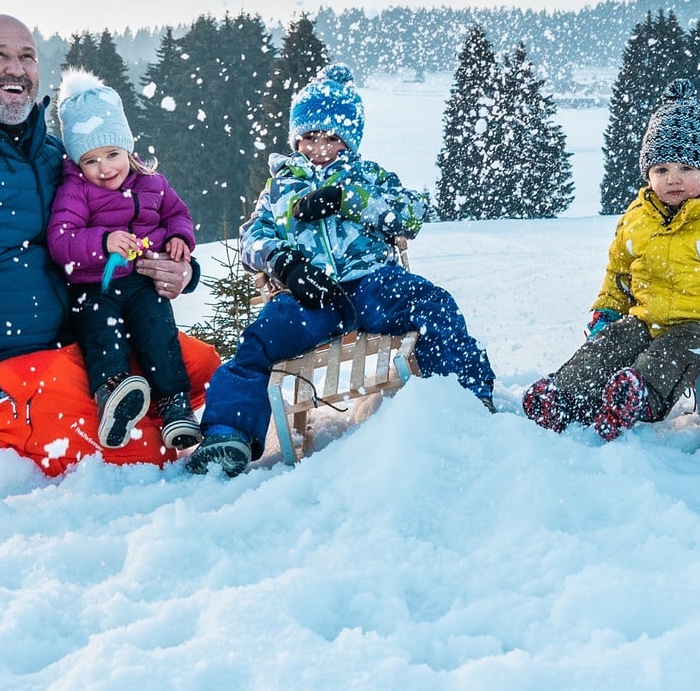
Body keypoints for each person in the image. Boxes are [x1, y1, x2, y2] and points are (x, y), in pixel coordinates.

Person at [0, 15, 221, 500]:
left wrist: (181, 268)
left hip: (79, 343)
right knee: (146, 456)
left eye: (27, 56)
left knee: (199, 368)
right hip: (1, 372)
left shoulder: (47, 152)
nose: (16, 68)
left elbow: (127, 219)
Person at [194, 65, 496, 477]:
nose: (320, 147)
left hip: (371, 282)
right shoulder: (280, 188)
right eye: (310, 137)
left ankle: (468, 394)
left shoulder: (367, 177)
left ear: (348, 140)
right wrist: (286, 263)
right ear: (296, 138)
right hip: (309, 295)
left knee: (433, 305)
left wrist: (347, 198)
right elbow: (251, 238)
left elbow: (412, 213)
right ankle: (228, 434)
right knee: (259, 341)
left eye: (331, 138)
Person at [523, 80, 700, 439]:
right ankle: (565, 395)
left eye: (685, 169)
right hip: (647, 319)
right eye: (661, 170)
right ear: (648, 174)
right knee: (614, 339)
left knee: (675, 347)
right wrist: (607, 311)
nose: (673, 179)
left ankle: (636, 397)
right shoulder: (636, 217)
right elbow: (619, 274)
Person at [45, 70, 203, 454]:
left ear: (128, 149)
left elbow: (177, 214)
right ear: (77, 163)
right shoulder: (76, 191)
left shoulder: (153, 183)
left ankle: (174, 407)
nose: (105, 169)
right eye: (91, 160)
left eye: (112, 154)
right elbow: (60, 240)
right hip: (93, 284)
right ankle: (113, 396)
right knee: (102, 334)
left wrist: (181, 238)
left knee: (158, 333)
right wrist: (103, 240)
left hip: (142, 282)